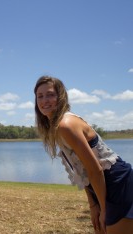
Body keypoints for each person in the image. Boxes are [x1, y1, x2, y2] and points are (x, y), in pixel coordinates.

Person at [34, 75, 133, 234]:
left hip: (116, 183)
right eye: (40, 96)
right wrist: (93, 205)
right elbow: (81, 170)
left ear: (60, 97)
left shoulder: (66, 125)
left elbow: (95, 169)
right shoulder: (55, 126)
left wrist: (104, 209)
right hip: (99, 185)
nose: (45, 100)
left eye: (50, 94)